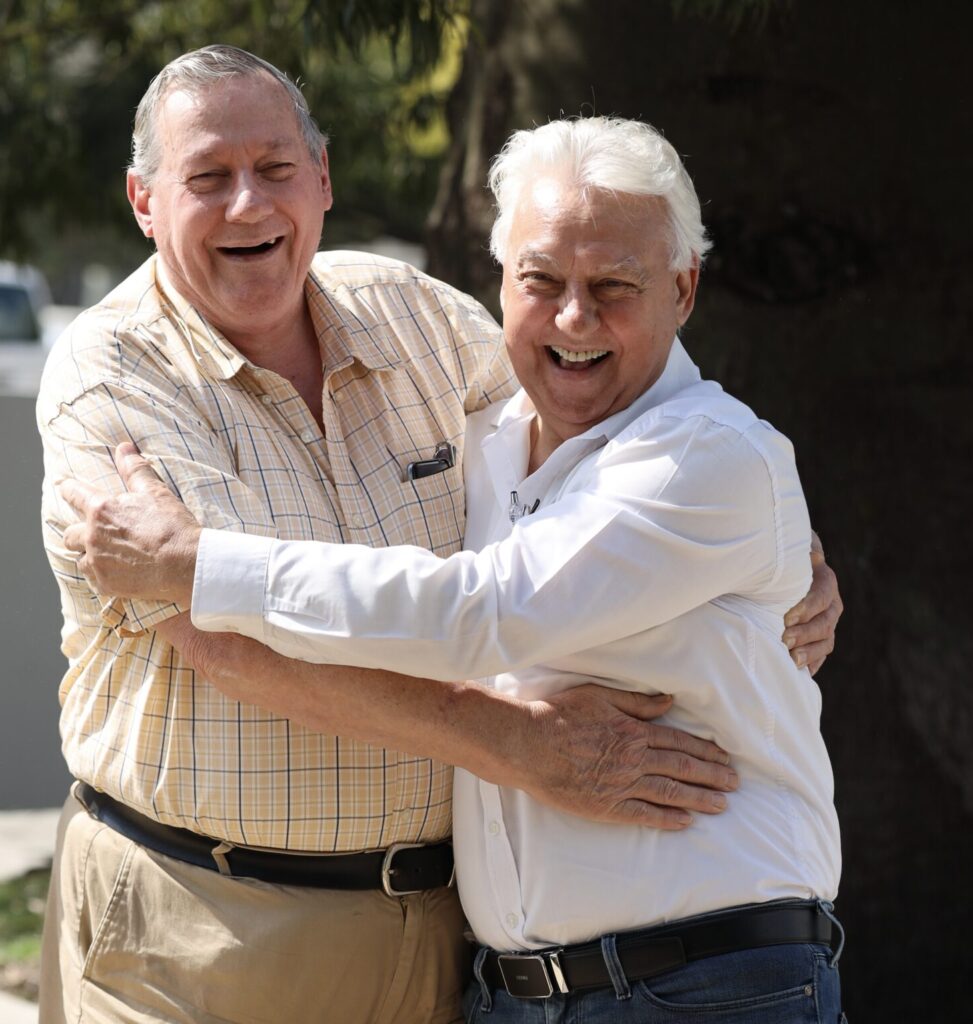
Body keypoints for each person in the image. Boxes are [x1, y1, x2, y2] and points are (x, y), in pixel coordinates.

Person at [35, 46, 841, 1024]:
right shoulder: (108, 380)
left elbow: (612, 404)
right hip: (194, 928)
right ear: (143, 201)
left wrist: (776, 531)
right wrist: (514, 744)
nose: (249, 203)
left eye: (276, 168)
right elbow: (223, 644)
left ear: (323, 179)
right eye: (207, 177)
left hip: (486, 949)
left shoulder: (413, 319)